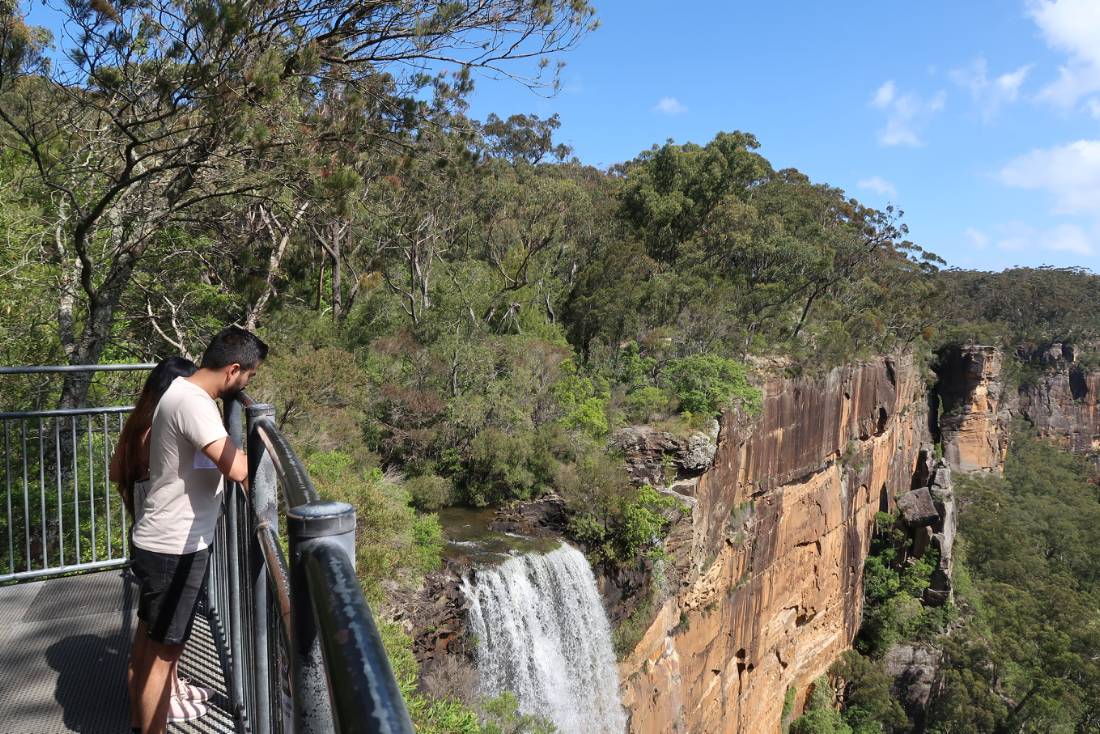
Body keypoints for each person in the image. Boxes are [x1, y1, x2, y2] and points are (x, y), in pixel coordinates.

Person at [128, 326, 267, 734]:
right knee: (162, 658)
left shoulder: (180, 392)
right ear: (233, 370)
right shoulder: (194, 403)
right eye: (249, 377)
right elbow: (237, 468)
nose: (246, 386)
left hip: (160, 540)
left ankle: (139, 725)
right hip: (174, 549)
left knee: (148, 648)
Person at [110, 357, 215, 728]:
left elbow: (115, 473)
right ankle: (160, 701)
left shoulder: (138, 426)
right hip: (168, 537)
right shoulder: (162, 428)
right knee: (160, 642)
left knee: (150, 630)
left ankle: (157, 700)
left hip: (145, 532)